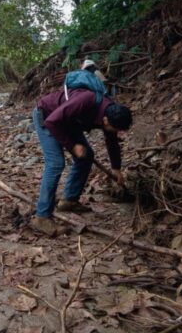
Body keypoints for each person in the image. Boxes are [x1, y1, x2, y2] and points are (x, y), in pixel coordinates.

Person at [31, 65, 132, 236]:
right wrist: (72, 146)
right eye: (113, 129)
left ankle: (69, 200)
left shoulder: (111, 111)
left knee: (87, 156)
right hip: (47, 115)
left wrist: (116, 168)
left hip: (68, 121)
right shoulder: (86, 100)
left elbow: (112, 141)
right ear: (106, 120)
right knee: (56, 164)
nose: (114, 133)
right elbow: (52, 122)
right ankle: (42, 217)